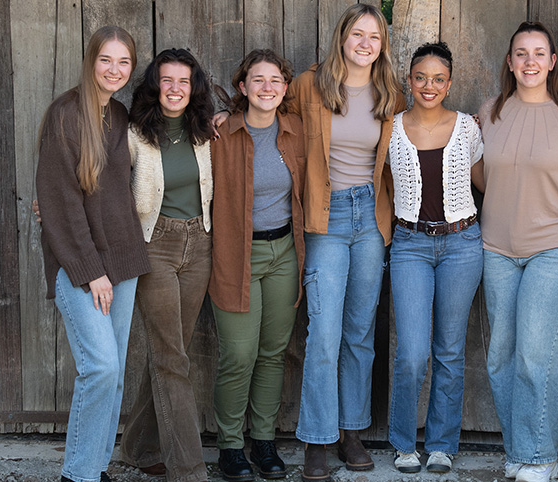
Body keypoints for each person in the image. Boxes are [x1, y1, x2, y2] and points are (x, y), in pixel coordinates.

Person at [289, 4, 405, 481]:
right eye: (357, 34)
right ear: (341, 38)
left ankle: (351, 430)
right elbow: (269, 122)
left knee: (360, 331)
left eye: (374, 37)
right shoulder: (308, 85)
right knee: (324, 332)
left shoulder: (390, 92)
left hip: (371, 219)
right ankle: (318, 437)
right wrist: (222, 121)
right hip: (326, 215)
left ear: (382, 45)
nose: (365, 43)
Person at [471, 21, 558, 482]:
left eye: (539, 53)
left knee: (537, 355)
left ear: (553, 61)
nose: (530, 61)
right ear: (510, 61)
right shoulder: (490, 112)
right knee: (500, 355)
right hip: (496, 247)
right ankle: (520, 450)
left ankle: (541, 458)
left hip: (554, 248)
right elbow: (480, 175)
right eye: (521, 53)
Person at [35, 26, 149, 482]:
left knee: (115, 373)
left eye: (124, 62)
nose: (115, 70)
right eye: (106, 60)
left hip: (123, 261)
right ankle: (78, 475)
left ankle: (96, 468)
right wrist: (90, 273)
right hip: (82, 267)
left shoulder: (119, 115)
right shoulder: (65, 115)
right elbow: (61, 202)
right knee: (99, 367)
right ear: (90, 60)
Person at [208, 49, 306, 482]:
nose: (268, 88)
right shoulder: (220, 134)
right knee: (239, 354)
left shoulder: (295, 131)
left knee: (273, 353)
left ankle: (264, 442)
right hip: (235, 255)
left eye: (276, 81)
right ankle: (230, 447)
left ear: (285, 89)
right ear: (242, 87)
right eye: (258, 80)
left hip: (284, 251)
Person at [118, 48, 215, 482]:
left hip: (200, 244)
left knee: (169, 351)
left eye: (183, 81)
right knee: (172, 358)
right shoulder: (135, 133)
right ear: (154, 84)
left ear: (193, 87)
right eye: (167, 80)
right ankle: (189, 470)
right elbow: (106, 184)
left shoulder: (205, 130)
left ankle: (137, 445)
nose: (174, 89)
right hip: (154, 245)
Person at [386, 41, 483, 475]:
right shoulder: (389, 129)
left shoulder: (467, 128)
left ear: (449, 84)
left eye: (438, 79)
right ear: (409, 80)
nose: (429, 86)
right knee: (411, 352)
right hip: (409, 245)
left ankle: (442, 444)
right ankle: (404, 442)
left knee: (449, 349)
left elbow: (485, 181)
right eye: (421, 77)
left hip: (462, 245)